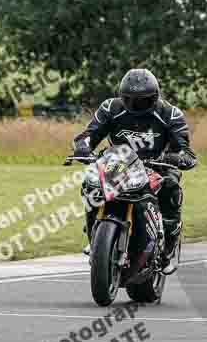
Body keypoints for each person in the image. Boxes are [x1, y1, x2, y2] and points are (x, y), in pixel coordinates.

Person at [72, 68, 197, 274]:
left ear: (155, 97)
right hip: (117, 164)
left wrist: (176, 157)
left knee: (171, 186)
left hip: (157, 165)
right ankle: (95, 236)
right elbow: (88, 135)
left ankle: (168, 246)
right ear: (122, 96)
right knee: (91, 183)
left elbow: (185, 150)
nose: (135, 106)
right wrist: (83, 149)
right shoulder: (110, 108)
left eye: (143, 101)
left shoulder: (170, 113)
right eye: (129, 100)